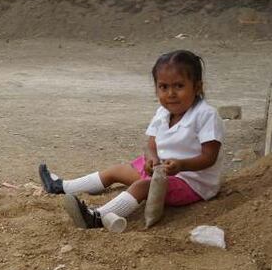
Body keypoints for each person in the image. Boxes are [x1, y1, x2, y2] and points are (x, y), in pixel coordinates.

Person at [39, 50, 223, 233]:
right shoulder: (163, 113)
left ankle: (97, 217)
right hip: (162, 173)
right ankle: (63, 187)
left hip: (192, 183)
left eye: (179, 86)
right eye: (163, 87)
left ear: (197, 87)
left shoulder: (205, 115)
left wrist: (181, 165)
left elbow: (209, 157)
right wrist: (151, 159)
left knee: (142, 186)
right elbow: (151, 145)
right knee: (116, 171)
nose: (171, 94)